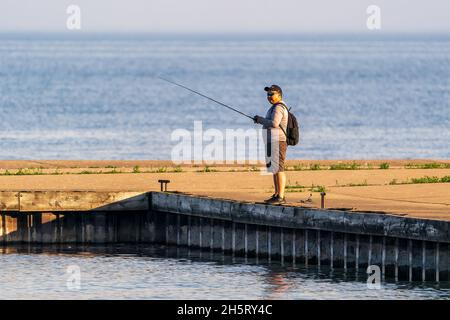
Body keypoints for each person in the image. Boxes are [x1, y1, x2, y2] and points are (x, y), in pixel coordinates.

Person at [253, 84, 288, 204]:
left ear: (279, 95)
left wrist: (260, 120)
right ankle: (277, 194)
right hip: (271, 141)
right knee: (274, 169)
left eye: (271, 94)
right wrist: (261, 120)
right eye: (268, 95)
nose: (269, 97)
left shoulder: (278, 108)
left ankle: (281, 196)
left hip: (278, 141)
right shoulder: (273, 107)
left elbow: (274, 123)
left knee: (279, 168)